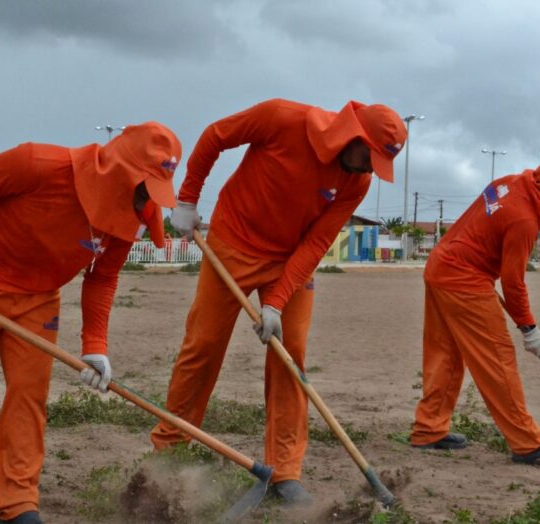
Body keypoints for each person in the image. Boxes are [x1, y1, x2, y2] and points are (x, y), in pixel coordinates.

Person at [0, 123, 181, 524]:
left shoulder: (136, 212)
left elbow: (102, 277)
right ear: (117, 168)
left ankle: (18, 500)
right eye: (143, 185)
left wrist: (95, 345)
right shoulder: (38, 163)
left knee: (29, 398)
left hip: (39, 299)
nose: (145, 197)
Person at [150, 98, 407, 504]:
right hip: (233, 243)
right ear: (353, 136)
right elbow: (216, 136)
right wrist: (186, 199)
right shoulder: (283, 118)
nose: (372, 169)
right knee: (203, 344)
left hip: (290, 260)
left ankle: (285, 471)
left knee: (292, 354)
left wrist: (277, 303)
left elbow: (318, 241)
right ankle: (170, 448)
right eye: (371, 157)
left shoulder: (357, 181)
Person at [410, 162, 540, 464]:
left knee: (445, 353)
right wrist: (529, 328)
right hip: (465, 280)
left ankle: (429, 429)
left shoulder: (507, 183)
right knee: (497, 357)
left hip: (440, 266)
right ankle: (527, 442)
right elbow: (513, 282)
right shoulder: (524, 220)